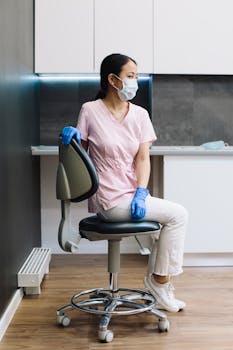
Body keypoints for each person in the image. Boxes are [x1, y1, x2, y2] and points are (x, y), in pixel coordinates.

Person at [61, 53, 188, 313]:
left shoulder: (140, 115)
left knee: (162, 229)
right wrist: (72, 140)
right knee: (179, 216)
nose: (135, 82)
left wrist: (141, 191)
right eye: (131, 76)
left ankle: (159, 284)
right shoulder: (90, 110)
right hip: (109, 198)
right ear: (112, 79)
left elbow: (143, 159)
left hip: (132, 194)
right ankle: (159, 283)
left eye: (136, 77)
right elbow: (79, 161)